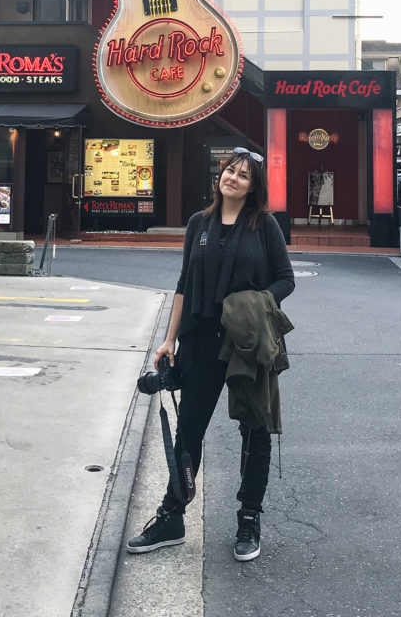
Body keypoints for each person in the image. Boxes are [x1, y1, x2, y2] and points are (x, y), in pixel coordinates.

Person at [126, 146, 295, 562]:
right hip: (200, 339)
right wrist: (169, 339)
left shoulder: (265, 225)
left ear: (254, 186)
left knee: (254, 432)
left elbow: (285, 279)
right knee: (189, 431)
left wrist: (254, 307)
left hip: (246, 343)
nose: (232, 178)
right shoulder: (198, 223)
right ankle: (172, 515)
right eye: (229, 171)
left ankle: (249, 520)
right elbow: (184, 281)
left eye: (242, 175)